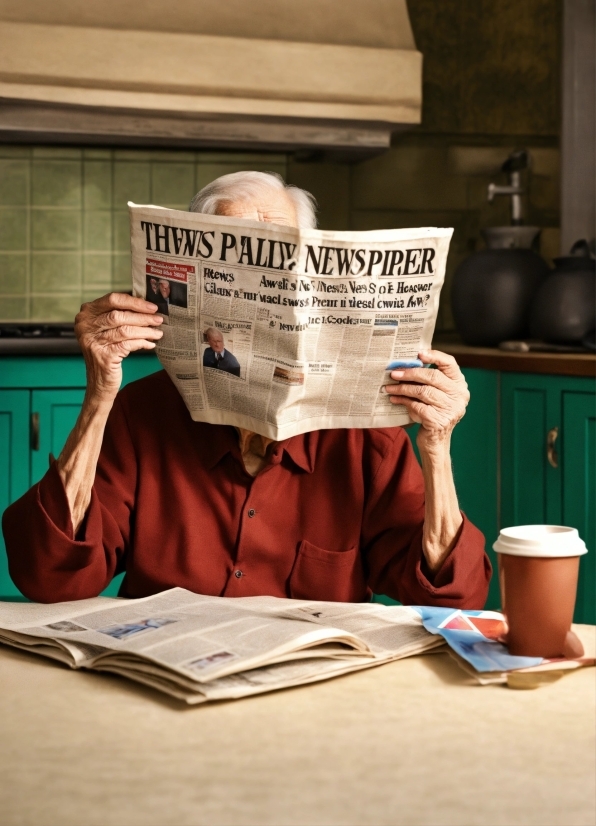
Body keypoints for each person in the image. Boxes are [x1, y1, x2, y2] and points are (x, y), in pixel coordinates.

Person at [2, 171, 491, 607]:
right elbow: (48, 576)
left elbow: (455, 596)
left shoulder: (366, 438)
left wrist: (438, 447)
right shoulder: (142, 414)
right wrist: (99, 397)